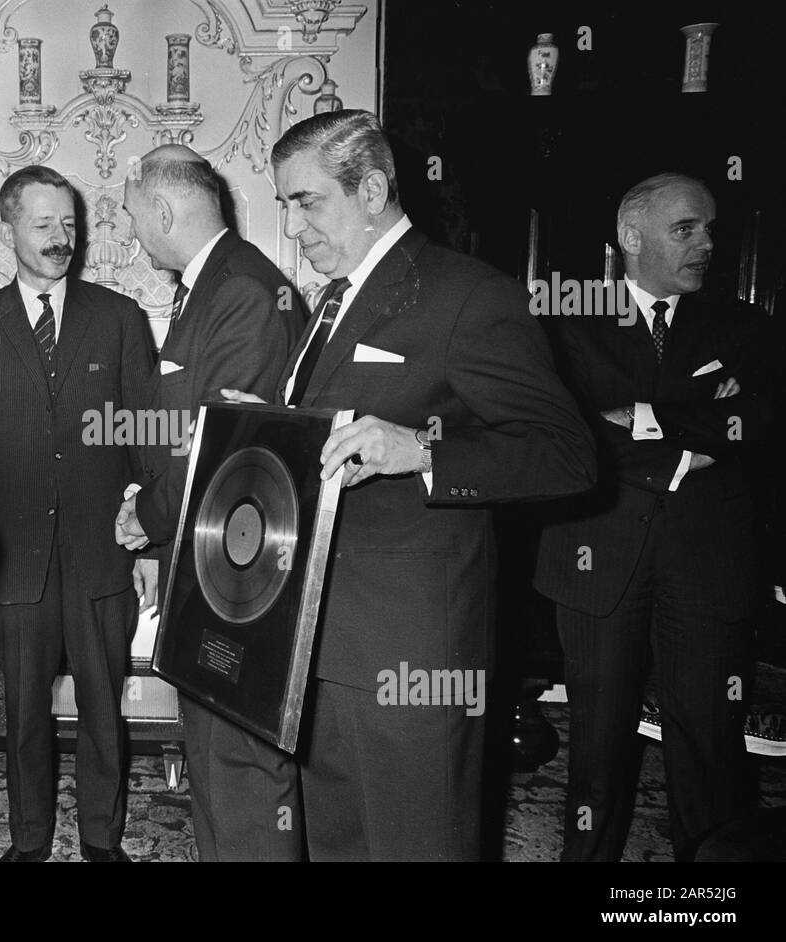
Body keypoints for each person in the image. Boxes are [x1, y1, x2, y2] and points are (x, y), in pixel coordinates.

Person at [229, 109, 596, 860]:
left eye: (307, 202)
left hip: (413, 656)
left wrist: (423, 450)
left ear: (371, 190)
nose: (294, 228)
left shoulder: (469, 295)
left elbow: (567, 454)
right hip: (321, 644)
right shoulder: (330, 300)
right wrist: (266, 427)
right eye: (286, 205)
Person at [534, 173, 773, 861]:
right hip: (595, 555)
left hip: (710, 560)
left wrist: (642, 418)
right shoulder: (563, 320)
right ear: (631, 238)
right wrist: (686, 448)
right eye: (686, 229)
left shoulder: (743, 325)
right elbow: (565, 431)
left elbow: (754, 421)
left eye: (710, 229)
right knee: (597, 749)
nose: (706, 244)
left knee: (709, 749)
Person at [0, 165, 153, 861]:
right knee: (24, 716)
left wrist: (147, 543)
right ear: (8, 230)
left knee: (104, 711)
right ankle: (29, 841)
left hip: (101, 557)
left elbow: (145, 438)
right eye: (43, 225)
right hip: (13, 562)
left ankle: (103, 839)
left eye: (70, 224)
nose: (62, 239)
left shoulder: (119, 319)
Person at [113, 143, 304, 860]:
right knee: (216, 761)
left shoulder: (243, 292)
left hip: (240, 577)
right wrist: (164, 546)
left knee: (243, 770)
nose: (133, 231)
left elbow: (213, 445)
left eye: (134, 215)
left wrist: (146, 523)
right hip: (211, 556)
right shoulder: (216, 283)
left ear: (163, 208)